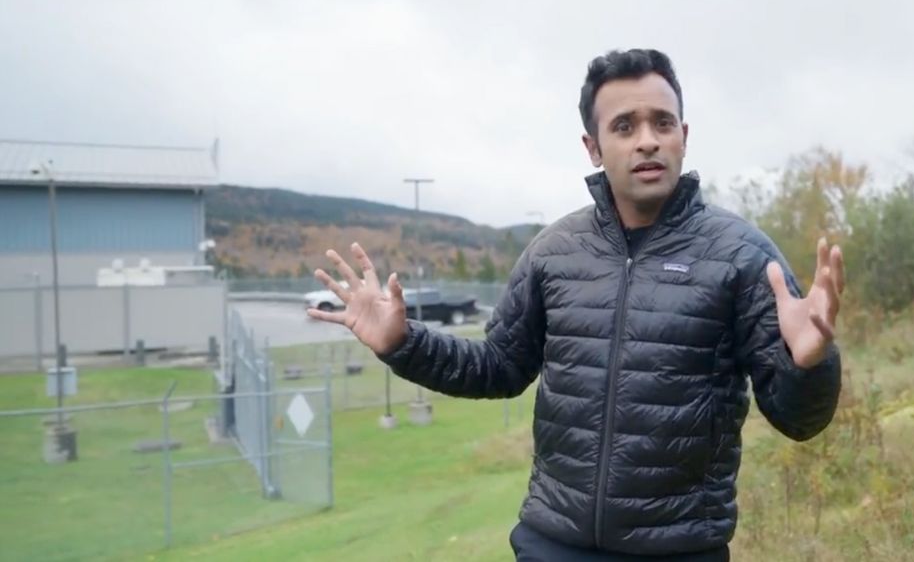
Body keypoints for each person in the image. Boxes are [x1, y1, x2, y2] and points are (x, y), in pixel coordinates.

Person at [308, 48, 845, 560]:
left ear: (684, 136)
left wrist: (811, 361)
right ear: (593, 147)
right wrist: (403, 344)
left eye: (662, 123)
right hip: (552, 541)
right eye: (624, 126)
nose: (647, 141)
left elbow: (799, 421)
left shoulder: (743, 256)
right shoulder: (554, 251)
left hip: (679, 549)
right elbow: (498, 367)